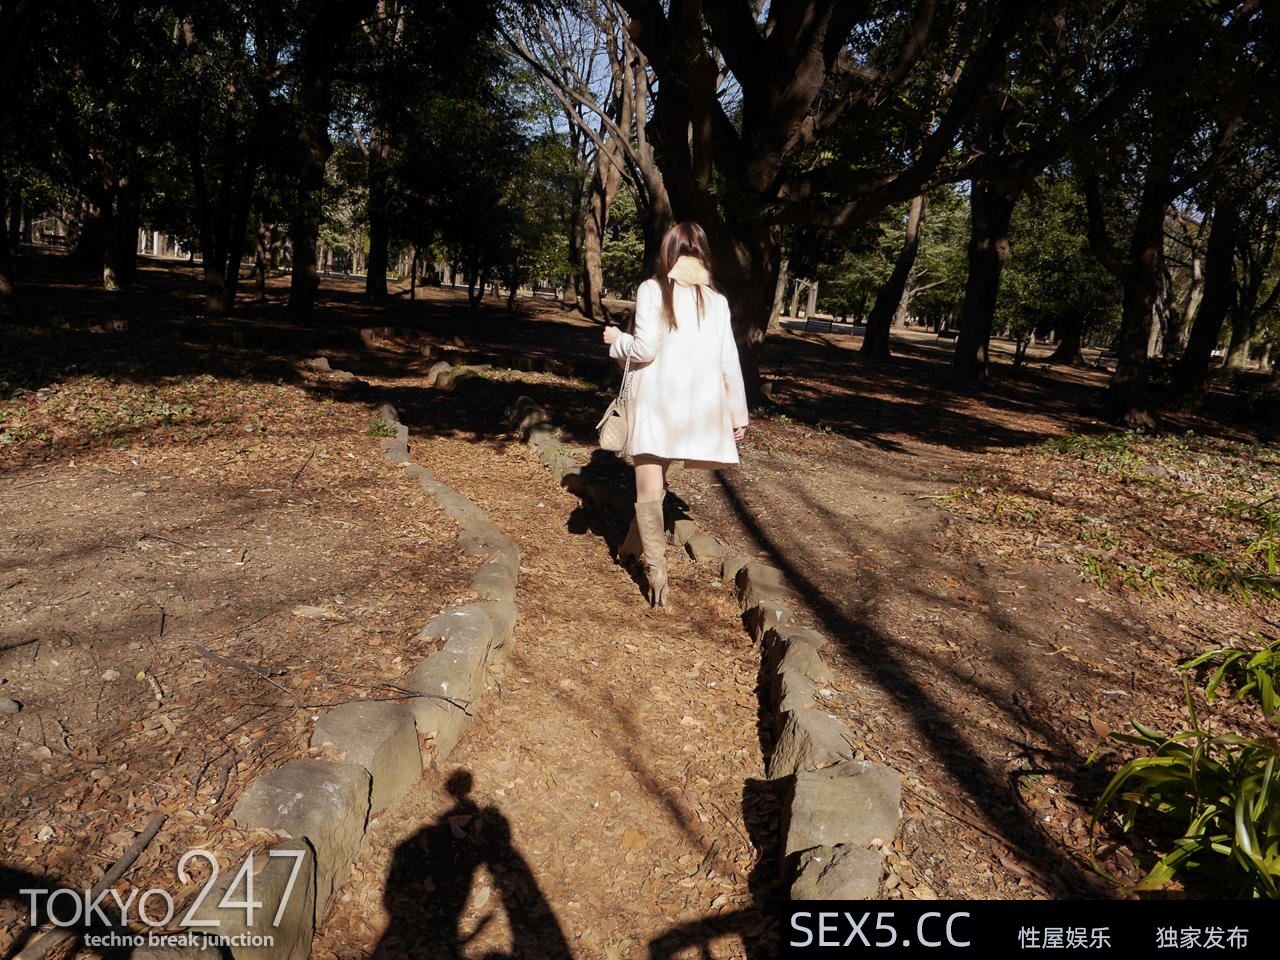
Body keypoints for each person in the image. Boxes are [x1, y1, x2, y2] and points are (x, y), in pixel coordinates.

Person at [602, 221, 749, 607]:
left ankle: (657, 573)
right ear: (702, 253)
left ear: (668, 251)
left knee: (649, 490)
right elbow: (728, 361)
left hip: (655, 404)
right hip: (691, 413)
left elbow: (645, 349)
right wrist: (738, 414)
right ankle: (631, 549)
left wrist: (617, 340)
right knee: (656, 487)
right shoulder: (715, 301)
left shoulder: (653, 289)